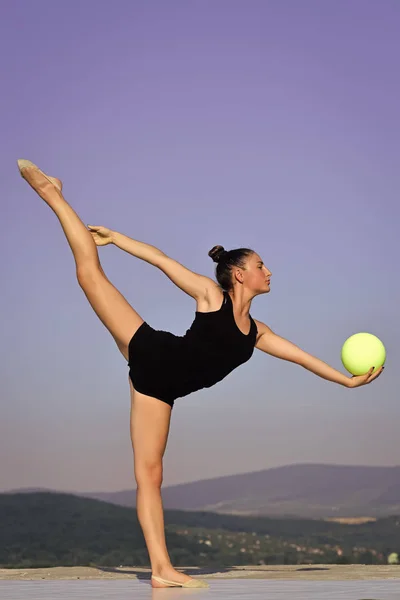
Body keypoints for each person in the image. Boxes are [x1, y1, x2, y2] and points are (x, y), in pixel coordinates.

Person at [17, 159, 384, 588]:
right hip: (152, 353)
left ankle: (161, 572)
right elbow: (162, 260)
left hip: (161, 389)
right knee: (89, 273)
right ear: (240, 274)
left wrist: (347, 381)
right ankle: (52, 194)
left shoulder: (256, 333)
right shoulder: (212, 296)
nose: (269, 272)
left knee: (151, 474)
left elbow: (302, 357)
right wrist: (117, 237)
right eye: (262, 265)